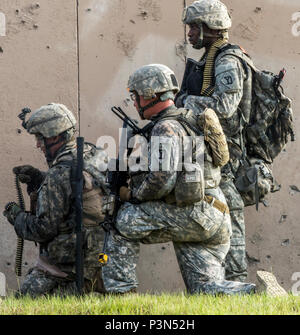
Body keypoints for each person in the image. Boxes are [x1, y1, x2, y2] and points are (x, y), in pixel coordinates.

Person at [101, 63, 257, 295]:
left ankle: (120, 296)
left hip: (195, 214)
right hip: (215, 214)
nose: (133, 103)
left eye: (135, 96)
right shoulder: (189, 119)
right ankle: (253, 293)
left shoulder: (166, 128)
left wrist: (131, 194)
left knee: (122, 221)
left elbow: (162, 180)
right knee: (205, 289)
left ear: (149, 95)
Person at [175, 0, 253, 282]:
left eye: (194, 27)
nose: (190, 33)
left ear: (211, 27)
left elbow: (224, 106)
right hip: (214, 153)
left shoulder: (227, 60)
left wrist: (182, 104)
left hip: (228, 156)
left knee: (230, 215)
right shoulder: (212, 57)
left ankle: (237, 284)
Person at [3, 103, 108, 297]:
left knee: (23, 302)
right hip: (101, 258)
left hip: (68, 266)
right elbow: (76, 192)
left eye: (40, 138)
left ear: (55, 136)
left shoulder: (58, 174)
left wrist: (16, 216)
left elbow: (43, 229)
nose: (38, 145)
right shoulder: (93, 154)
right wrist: (38, 178)